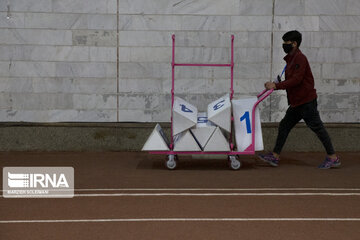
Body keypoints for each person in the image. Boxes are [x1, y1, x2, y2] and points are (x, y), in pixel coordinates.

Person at [259, 30, 340, 169]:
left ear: (294, 44)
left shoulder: (300, 59)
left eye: (286, 43)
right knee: (285, 125)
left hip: (306, 102)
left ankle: (333, 158)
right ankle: (275, 155)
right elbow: (291, 79)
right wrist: (275, 83)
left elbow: (296, 80)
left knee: (318, 128)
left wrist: (276, 86)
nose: (284, 45)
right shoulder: (291, 59)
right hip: (297, 103)